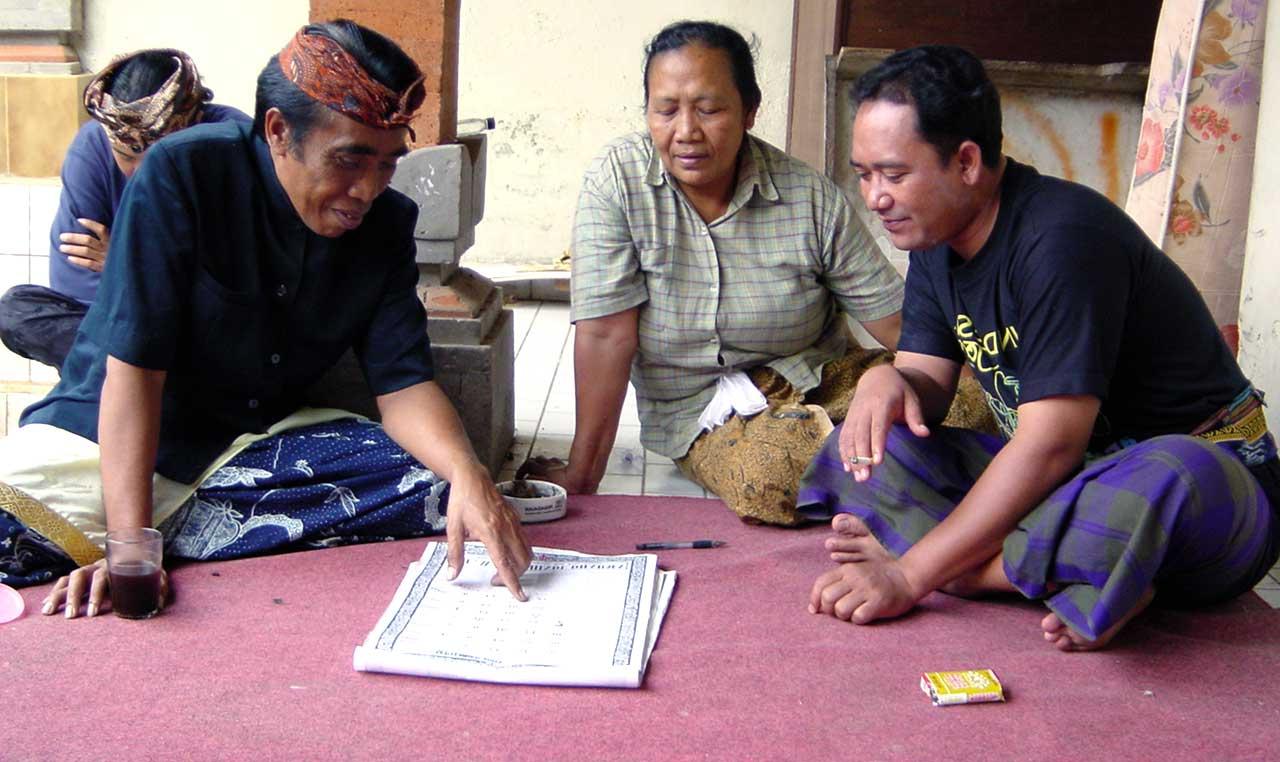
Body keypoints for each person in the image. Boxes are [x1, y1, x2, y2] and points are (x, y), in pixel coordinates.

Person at [0, 20, 531, 617]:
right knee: (6, 535)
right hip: (108, 435)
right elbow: (135, 373)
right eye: (350, 160)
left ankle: (174, 536)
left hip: (245, 444)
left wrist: (471, 475)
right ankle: (166, 538)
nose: (368, 190)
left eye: (387, 164)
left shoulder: (385, 224)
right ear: (279, 131)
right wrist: (131, 552)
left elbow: (403, 383)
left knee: (435, 488)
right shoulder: (183, 174)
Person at [799, 45, 1280, 651]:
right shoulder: (933, 238)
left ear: (967, 161)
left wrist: (908, 573)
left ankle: (973, 571)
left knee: (1175, 476)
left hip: (1204, 489)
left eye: (893, 174)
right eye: (865, 174)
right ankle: (1073, 570)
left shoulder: (1063, 238)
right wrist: (885, 382)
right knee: (871, 451)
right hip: (1069, 484)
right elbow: (927, 385)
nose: (874, 196)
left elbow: (1051, 446)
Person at [518, 20, 908, 526]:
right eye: (667, 110)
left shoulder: (809, 198)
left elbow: (895, 322)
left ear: (750, 110)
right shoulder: (618, 183)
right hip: (711, 415)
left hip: (823, 379)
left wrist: (931, 380)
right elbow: (607, 334)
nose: (686, 131)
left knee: (963, 406)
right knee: (772, 471)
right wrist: (583, 471)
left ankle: (891, 470)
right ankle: (901, 475)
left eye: (709, 109)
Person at [0, 49, 250, 372]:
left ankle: (128, 376)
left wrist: (121, 261)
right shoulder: (93, 147)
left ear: (190, 127)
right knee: (17, 310)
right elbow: (75, 284)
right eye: (126, 155)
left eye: (156, 153)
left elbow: (241, 280)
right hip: (126, 329)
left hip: (208, 329)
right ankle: (148, 376)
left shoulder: (233, 144)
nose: (138, 170)